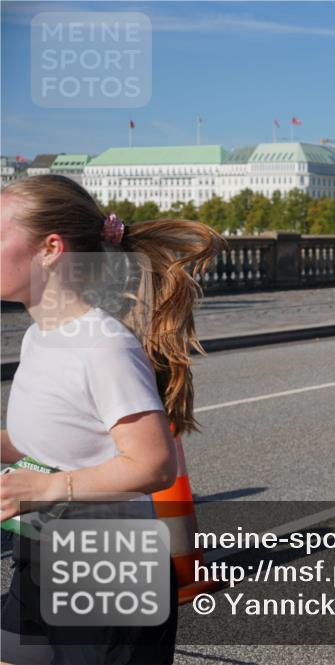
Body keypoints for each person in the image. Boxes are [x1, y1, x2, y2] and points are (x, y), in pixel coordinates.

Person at [0, 174, 222, 664]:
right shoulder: (40, 336)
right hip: (40, 554)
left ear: (50, 249)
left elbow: (154, 466)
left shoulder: (102, 345)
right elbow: (55, 445)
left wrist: (46, 490)